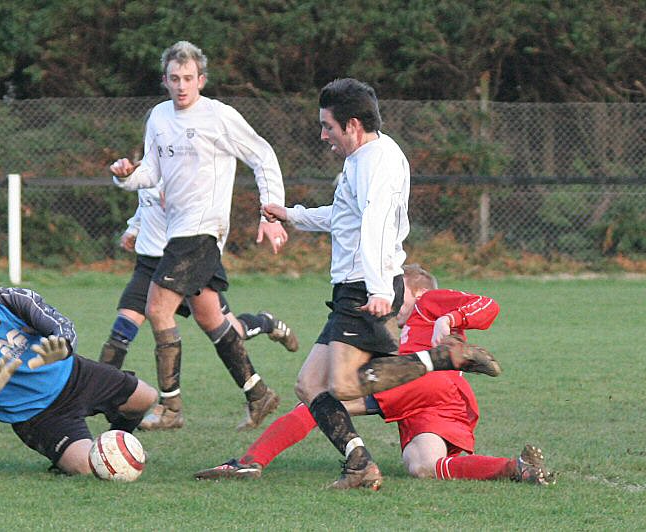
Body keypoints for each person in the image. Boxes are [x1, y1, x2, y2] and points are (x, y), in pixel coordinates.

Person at [261, 78, 501, 490]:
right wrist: (292, 215)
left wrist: (377, 290)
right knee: (309, 385)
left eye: (328, 126)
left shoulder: (378, 160)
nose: (323, 135)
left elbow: (374, 226)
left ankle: (444, 360)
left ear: (352, 125)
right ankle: (359, 463)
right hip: (350, 288)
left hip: (364, 287)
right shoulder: (361, 160)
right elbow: (344, 219)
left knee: (342, 385)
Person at [194, 265, 554, 485]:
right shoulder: (392, 329)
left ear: (419, 290)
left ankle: (249, 462)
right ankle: (516, 468)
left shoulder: (430, 302)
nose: (394, 307)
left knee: (321, 401)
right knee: (423, 466)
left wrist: (450, 319)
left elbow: (489, 305)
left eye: (401, 297)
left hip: (428, 380)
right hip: (439, 399)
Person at [109, 41, 288, 432]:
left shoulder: (219, 117)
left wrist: (271, 210)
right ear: (165, 81)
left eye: (188, 78)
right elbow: (151, 174)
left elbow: (263, 155)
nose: (181, 85)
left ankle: (171, 408)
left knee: (157, 309)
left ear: (201, 80)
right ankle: (259, 395)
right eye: (174, 78)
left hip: (202, 229)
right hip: (179, 233)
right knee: (211, 319)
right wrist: (125, 176)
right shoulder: (157, 117)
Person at [0, 248, 158, 475]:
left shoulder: (15, 299)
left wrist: (62, 347)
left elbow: (63, 326)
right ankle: (71, 458)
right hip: (38, 415)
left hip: (75, 375)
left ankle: (119, 447)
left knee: (146, 397)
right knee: (88, 467)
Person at [99, 186, 299, 431]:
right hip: (150, 262)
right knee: (122, 331)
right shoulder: (154, 158)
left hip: (186, 256)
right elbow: (145, 201)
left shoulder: (187, 161)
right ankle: (99, 394)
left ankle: (265, 326)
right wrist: (134, 228)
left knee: (226, 327)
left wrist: (175, 196)